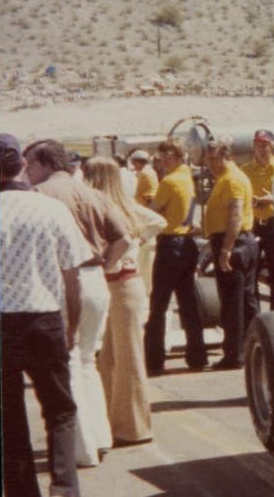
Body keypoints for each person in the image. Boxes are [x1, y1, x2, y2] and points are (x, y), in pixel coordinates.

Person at [0, 134, 96, 497]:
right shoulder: (49, 209)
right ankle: (64, 493)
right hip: (43, 318)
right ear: (22, 163)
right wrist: (71, 323)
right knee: (59, 408)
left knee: (9, 418)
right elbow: (73, 277)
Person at [24, 139, 131, 468]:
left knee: (67, 361)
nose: (27, 172)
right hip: (96, 280)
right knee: (87, 360)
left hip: (64, 283)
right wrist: (106, 266)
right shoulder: (93, 194)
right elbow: (123, 238)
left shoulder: (41, 196)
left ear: (44, 163)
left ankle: (82, 449)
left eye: (30, 165)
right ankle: (100, 437)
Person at [84, 156, 166, 446]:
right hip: (117, 285)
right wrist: (141, 240)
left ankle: (133, 427)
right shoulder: (122, 205)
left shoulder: (104, 206)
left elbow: (159, 222)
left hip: (121, 283)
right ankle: (113, 422)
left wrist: (135, 244)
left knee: (126, 356)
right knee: (108, 357)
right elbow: (157, 221)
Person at [144, 138, 209, 376]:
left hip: (170, 243)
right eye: (161, 156)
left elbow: (152, 213)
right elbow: (191, 210)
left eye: (166, 155)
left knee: (158, 304)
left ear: (177, 156)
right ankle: (197, 355)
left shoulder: (169, 181)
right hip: (187, 242)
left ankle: (154, 359)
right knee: (188, 302)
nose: (162, 160)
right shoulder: (187, 178)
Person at [203, 138, 260, 370]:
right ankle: (251, 346)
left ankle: (234, 353)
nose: (210, 163)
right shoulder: (229, 178)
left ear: (227, 157)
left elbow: (235, 214)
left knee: (232, 302)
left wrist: (226, 248)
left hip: (234, 242)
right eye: (208, 158)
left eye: (214, 158)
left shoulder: (232, 180)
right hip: (241, 241)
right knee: (246, 299)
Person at [241, 129, 274, 311]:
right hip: (253, 224)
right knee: (251, 273)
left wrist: (271, 199)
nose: (261, 149)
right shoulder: (245, 170)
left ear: (272, 147)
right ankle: (255, 316)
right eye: (258, 145)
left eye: (265, 145)